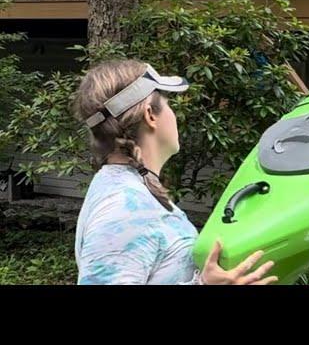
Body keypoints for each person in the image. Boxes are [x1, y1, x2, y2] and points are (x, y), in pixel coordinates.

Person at [72, 58, 278, 285]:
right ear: (150, 115)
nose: (174, 114)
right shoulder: (124, 207)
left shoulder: (124, 187)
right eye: (169, 104)